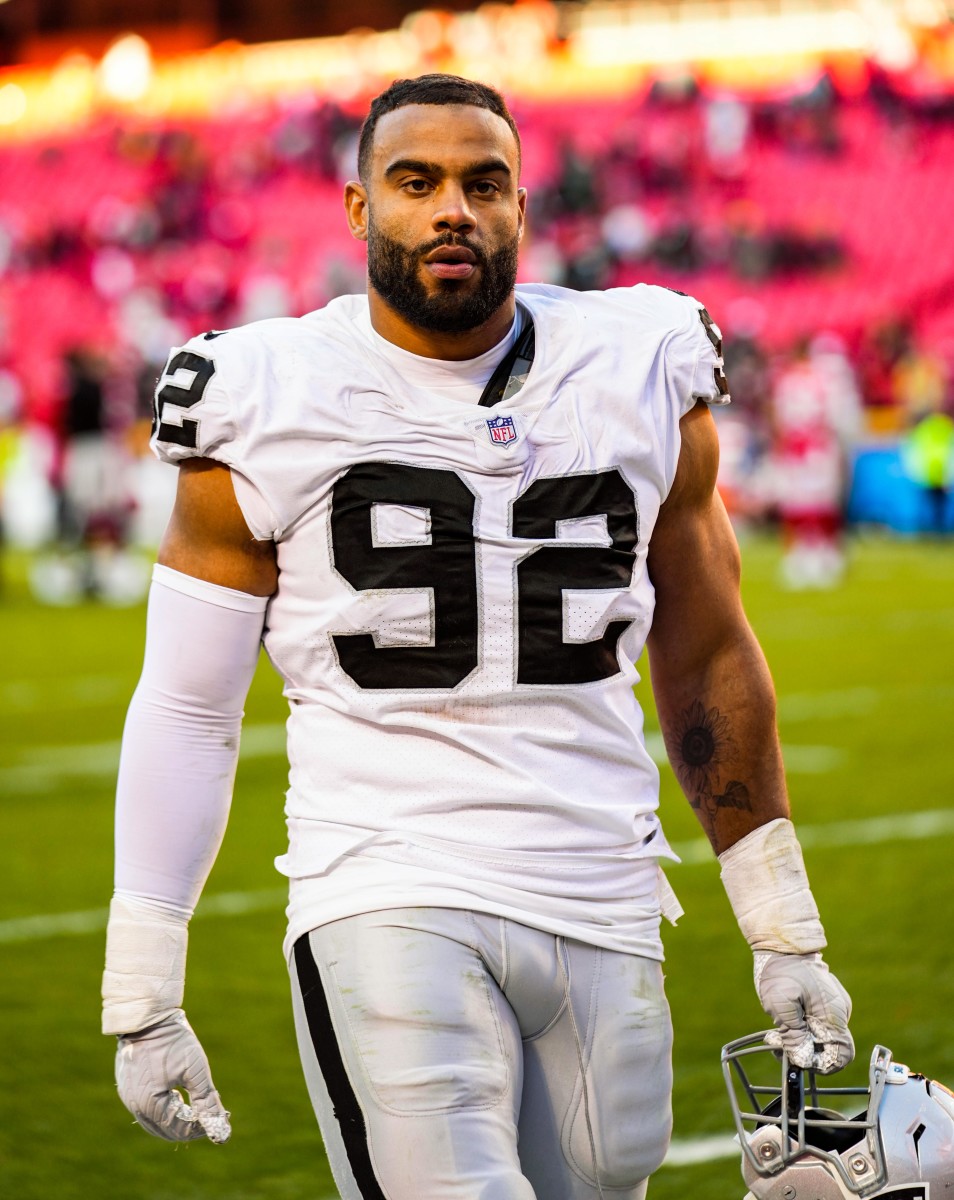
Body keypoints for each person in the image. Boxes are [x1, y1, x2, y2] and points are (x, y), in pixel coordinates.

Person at [102, 75, 853, 1200]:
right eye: (416, 182)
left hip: (605, 886)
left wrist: (783, 924)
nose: (452, 207)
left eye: (481, 182)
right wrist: (142, 982)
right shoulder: (263, 391)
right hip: (384, 881)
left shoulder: (640, 362)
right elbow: (188, 707)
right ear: (360, 209)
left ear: (521, 206)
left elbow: (705, 655)